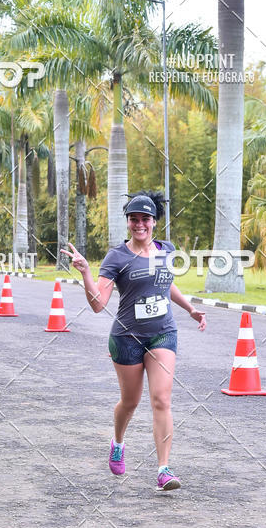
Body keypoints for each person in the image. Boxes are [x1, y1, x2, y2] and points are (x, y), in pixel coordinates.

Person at [62, 190, 206, 492]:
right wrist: (86, 273)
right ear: (128, 222)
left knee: (162, 399)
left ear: (154, 221)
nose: (140, 223)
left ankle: (164, 470)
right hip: (126, 337)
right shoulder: (118, 256)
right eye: (134, 219)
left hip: (162, 333)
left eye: (145, 219)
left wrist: (191, 309)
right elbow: (98, 304)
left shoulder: (167, 250)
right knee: (130, 402)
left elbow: (167, 286)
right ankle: (118, 442)